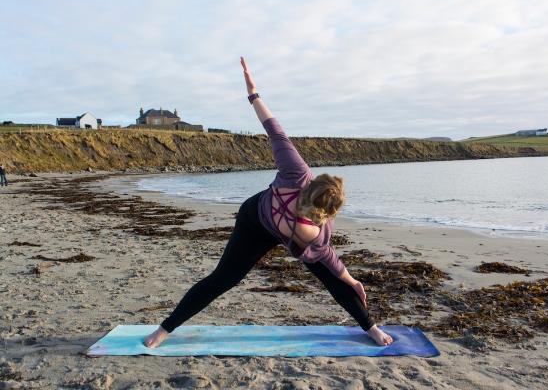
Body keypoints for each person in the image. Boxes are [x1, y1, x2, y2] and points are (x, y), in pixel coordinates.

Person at [143, 57, 393, 348]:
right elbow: (275, 129)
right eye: (306, 205)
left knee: (335, 281)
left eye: (313, 217)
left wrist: (352, 281)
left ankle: (370, 327)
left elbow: (334, 264)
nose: (305, 215)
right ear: (309, 187)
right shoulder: (295, 171)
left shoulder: (320, 237)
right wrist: (253, 93)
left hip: (288, 234)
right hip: (255, 220)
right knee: (224, 278)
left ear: (323, 217)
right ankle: (165, 329)